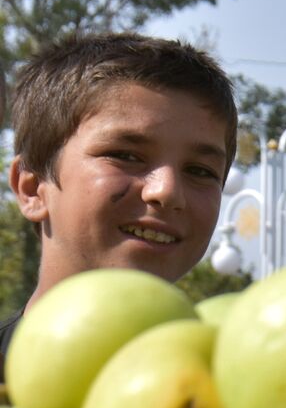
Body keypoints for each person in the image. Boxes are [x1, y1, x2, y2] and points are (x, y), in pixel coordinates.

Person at [0, 32, 238, 375]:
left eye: (200, 171)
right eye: (125, 155)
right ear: (33, 188)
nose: (167, 191)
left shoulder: (230, 387)